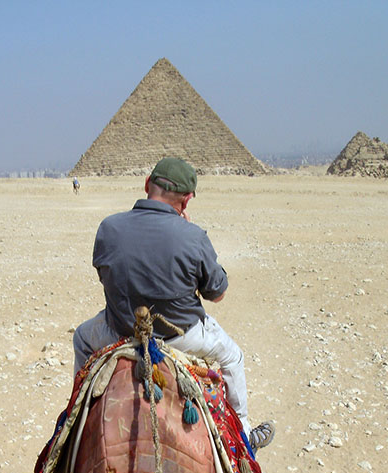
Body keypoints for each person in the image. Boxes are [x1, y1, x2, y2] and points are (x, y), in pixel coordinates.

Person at [73, 156, 275, 452]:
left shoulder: (109, 228)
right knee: (233, 357)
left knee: (81, 337)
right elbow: (217, 293)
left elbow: (106, 276)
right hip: (182, 338)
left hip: (120, 333)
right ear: (187, 200)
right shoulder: (193, 236)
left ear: (146, 185)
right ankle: (243, 440)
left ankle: (78, 420)